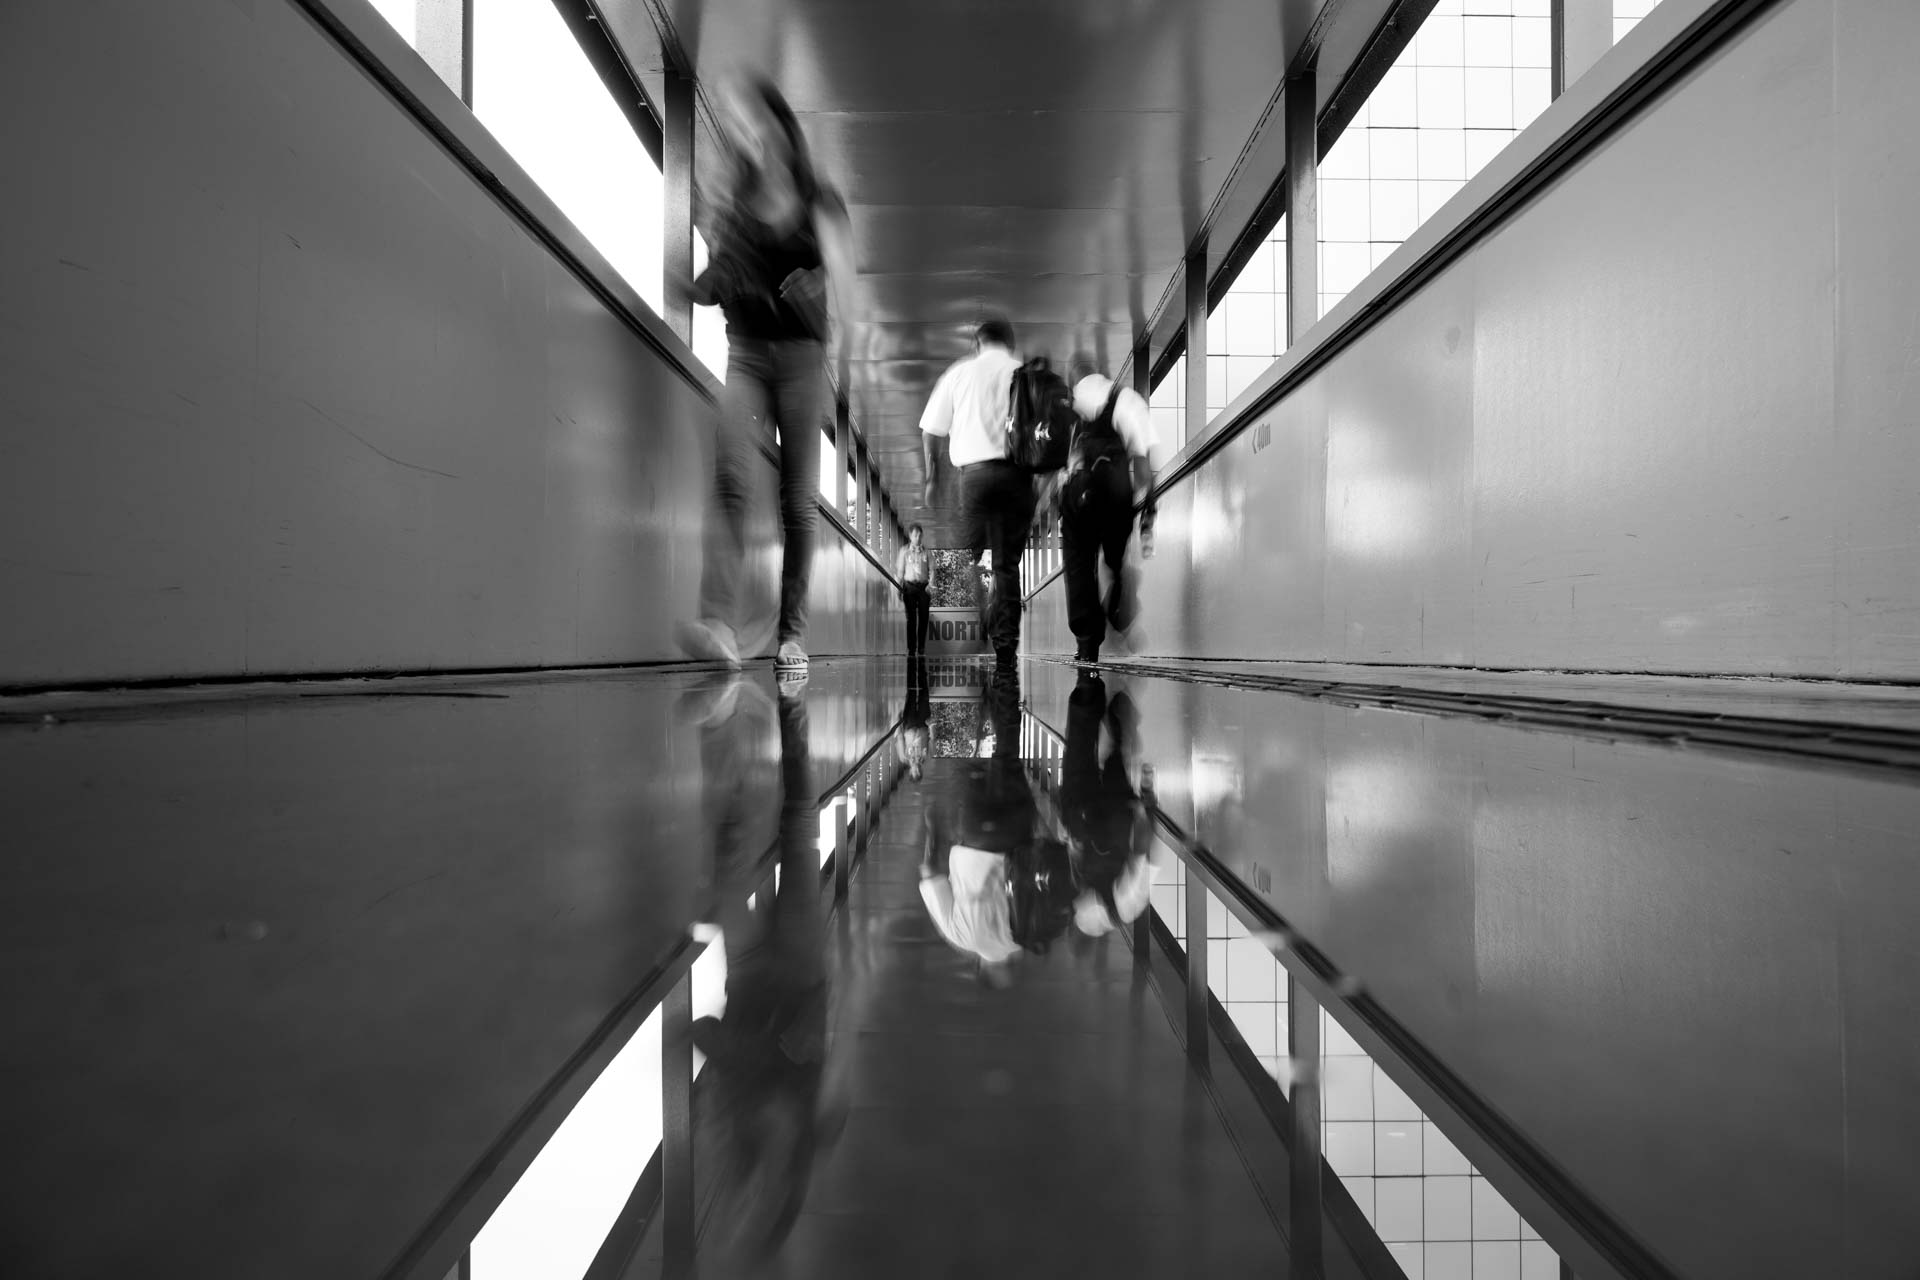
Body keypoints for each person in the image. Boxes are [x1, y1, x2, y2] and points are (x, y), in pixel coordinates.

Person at [678, 74, 857, 674]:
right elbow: (718, 276)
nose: (747, 136)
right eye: (737, 127)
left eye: (755, 122)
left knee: (797, 503)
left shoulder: (819, 200)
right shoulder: (732, 202)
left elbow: (848, 294)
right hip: (746, 351)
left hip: (804, 360)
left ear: (781, 125)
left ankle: (791, 636)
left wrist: (821, 285)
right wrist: (702, 282)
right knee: (730, 475)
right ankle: (719, 624)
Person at [919, 318, 1035, 671]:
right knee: (1006, 566)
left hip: (973, 478)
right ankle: (1003, 648)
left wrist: (933, 476)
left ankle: (961, 642)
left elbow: (931, 428)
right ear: (1011, 344)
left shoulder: (959, 374)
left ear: (977, 344)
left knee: (961, 558)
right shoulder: (1025, 374)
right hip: (1017, 478)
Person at [1048, 357, 1161, 665]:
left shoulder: (1066, 407)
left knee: (1079, 567)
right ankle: (1120, 596)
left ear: (1073, 380)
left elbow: (1050, 462)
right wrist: (1148, 509)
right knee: (1114, 559)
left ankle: (1088, 645)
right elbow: (1143, 457)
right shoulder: (1126, 398)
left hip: (1078, 500)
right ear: (1102, 371)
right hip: (1117, 495)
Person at [894, 523, 933, 656]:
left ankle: (921, 647)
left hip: (924, 588)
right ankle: (911, 649)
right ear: (910, 536)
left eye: (920, 535)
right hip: (909, 587)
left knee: (923, 618)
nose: (918, 538)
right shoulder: (904, 551)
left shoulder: (927, 552)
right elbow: (900, 571)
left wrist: (930, 585)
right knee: (911, 619)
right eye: (916, 535)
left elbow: (933, 570)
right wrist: (899, 588)